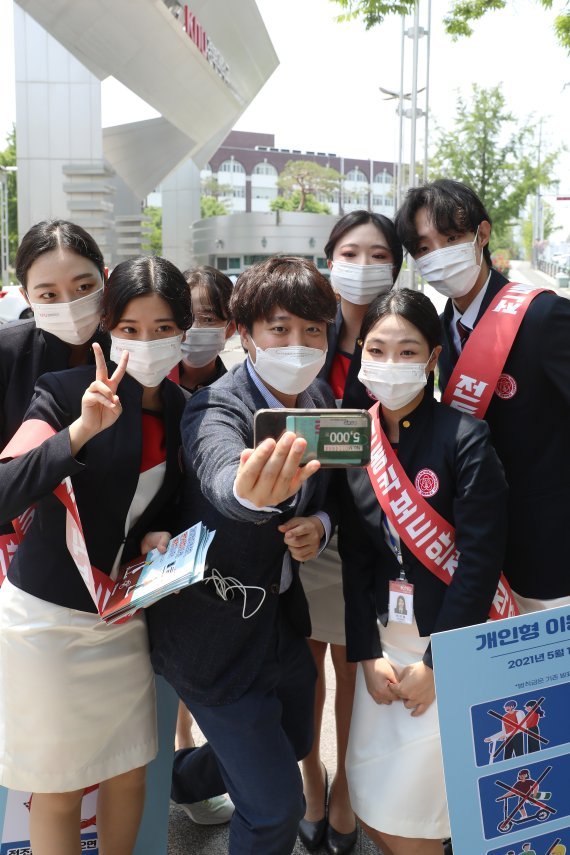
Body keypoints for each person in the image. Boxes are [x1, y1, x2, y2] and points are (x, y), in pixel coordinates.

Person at [0, 255, 191, 855]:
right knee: (56, 786)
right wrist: (79, 431)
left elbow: (159, 508)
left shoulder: (189, 411)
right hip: (49, 621)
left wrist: (157, 539)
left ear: (185, 331)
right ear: (109, 329)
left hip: (120, 618)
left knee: (128, 768)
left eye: (163, 330)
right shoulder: (61, 393)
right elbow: (6, 489)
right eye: (131, 329)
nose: (147, 344)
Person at [148, 256, 338, 855]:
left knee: (298, 737)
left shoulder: (322, 396)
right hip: (214, 637)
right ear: (246, 334)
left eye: (313, 330)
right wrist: (250, 495)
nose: (298, 345)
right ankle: (239, 788)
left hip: (280, 624)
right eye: (280, 328)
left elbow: (331, 490)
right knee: (275, 807)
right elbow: (219, 471)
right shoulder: (217, 408)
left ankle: (170, 778)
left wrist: (320, 524)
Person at [339, 288, 508, 855]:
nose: (391, 364)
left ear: (434, 358)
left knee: (420, 813)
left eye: (408, 351)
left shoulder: (465, 439)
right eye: (379, 349)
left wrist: (440, 664)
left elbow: (480, 562)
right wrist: (365, 653)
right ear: (361, 352)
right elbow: (357, 557)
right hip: (385, 652)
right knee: (377, 809)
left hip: (446, 648)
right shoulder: (355, 438)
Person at [395, 179, 570, 614]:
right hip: (479, 556)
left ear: (483, 234)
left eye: (450, 239)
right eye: (423, 248)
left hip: (550, 557)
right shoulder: (438, 332)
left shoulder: (543, 315)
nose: (438, 255)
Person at [298, 211, 403, 855]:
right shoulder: (307, 333)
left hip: (371, 530)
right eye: (349, 252)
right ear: (328, 257)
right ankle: (311, 781)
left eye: (378, 254)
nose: (362, 266)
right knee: (304, 669)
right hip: (305, 531)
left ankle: (344, 799)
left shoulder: (407, 331)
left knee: (355, 663)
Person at [0, 220, 108, 576]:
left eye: (84, 287)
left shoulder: (133, 349)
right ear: (27, 296)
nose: (70, 305)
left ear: (104, 278)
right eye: (48, 294)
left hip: (109, 563)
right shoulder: (8, 353)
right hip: (16, 563)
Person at [173, 264, 236, 825]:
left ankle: (188, 771)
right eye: (185, 318)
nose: (196, 329)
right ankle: (174, 752)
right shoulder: (147, 380)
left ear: (231, 326)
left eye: (210, 318)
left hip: (218, 557)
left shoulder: (234, 393)